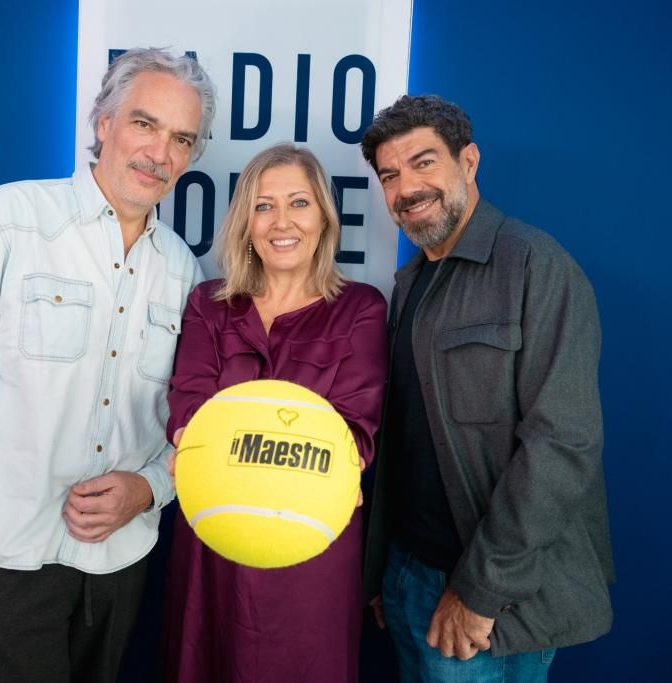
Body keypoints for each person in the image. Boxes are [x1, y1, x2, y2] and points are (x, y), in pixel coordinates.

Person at [0, 47, 215, 682]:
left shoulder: (183, 270)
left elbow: (185, 422)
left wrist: (150, 489)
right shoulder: (5, 221)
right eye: (144, 124)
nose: (160, 153)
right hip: (2, 556)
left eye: (182, 138)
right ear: (104, 123)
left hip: (120, 564)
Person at [360, 95, 615, 682]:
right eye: (390, 175)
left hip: (489, 602)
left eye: (425, 163)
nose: (407, 188)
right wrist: (383, 571)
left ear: (468, 161)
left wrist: (478, 591)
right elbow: (406, 441)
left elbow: (563, 445)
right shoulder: (410, 283)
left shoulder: (537, 266)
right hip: (408, 576)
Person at [161, 143, 387, 682]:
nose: (281, 222)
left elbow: (355, 429)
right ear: (245, 222)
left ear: (324, 218)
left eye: (299, 203)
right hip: (213, 539)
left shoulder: (362, 308)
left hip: (310, 549)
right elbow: (188, 405)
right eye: (263, 206)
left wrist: (234, 445)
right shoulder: (208, 305)